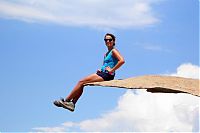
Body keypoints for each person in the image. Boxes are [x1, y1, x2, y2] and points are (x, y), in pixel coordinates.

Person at [53, 33, 125, 112]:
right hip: (103, 73)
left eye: (110, 40)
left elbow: (122, 61)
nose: (107, 41)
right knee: (82, 84)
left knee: (81, 82)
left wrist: (112, 70)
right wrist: (101, 69)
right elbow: (106, 64)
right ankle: (72, 103)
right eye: (106, 40)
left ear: (114, 41)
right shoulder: (106, 54)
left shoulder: (114, 51)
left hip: (107, 75)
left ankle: (66, 101)